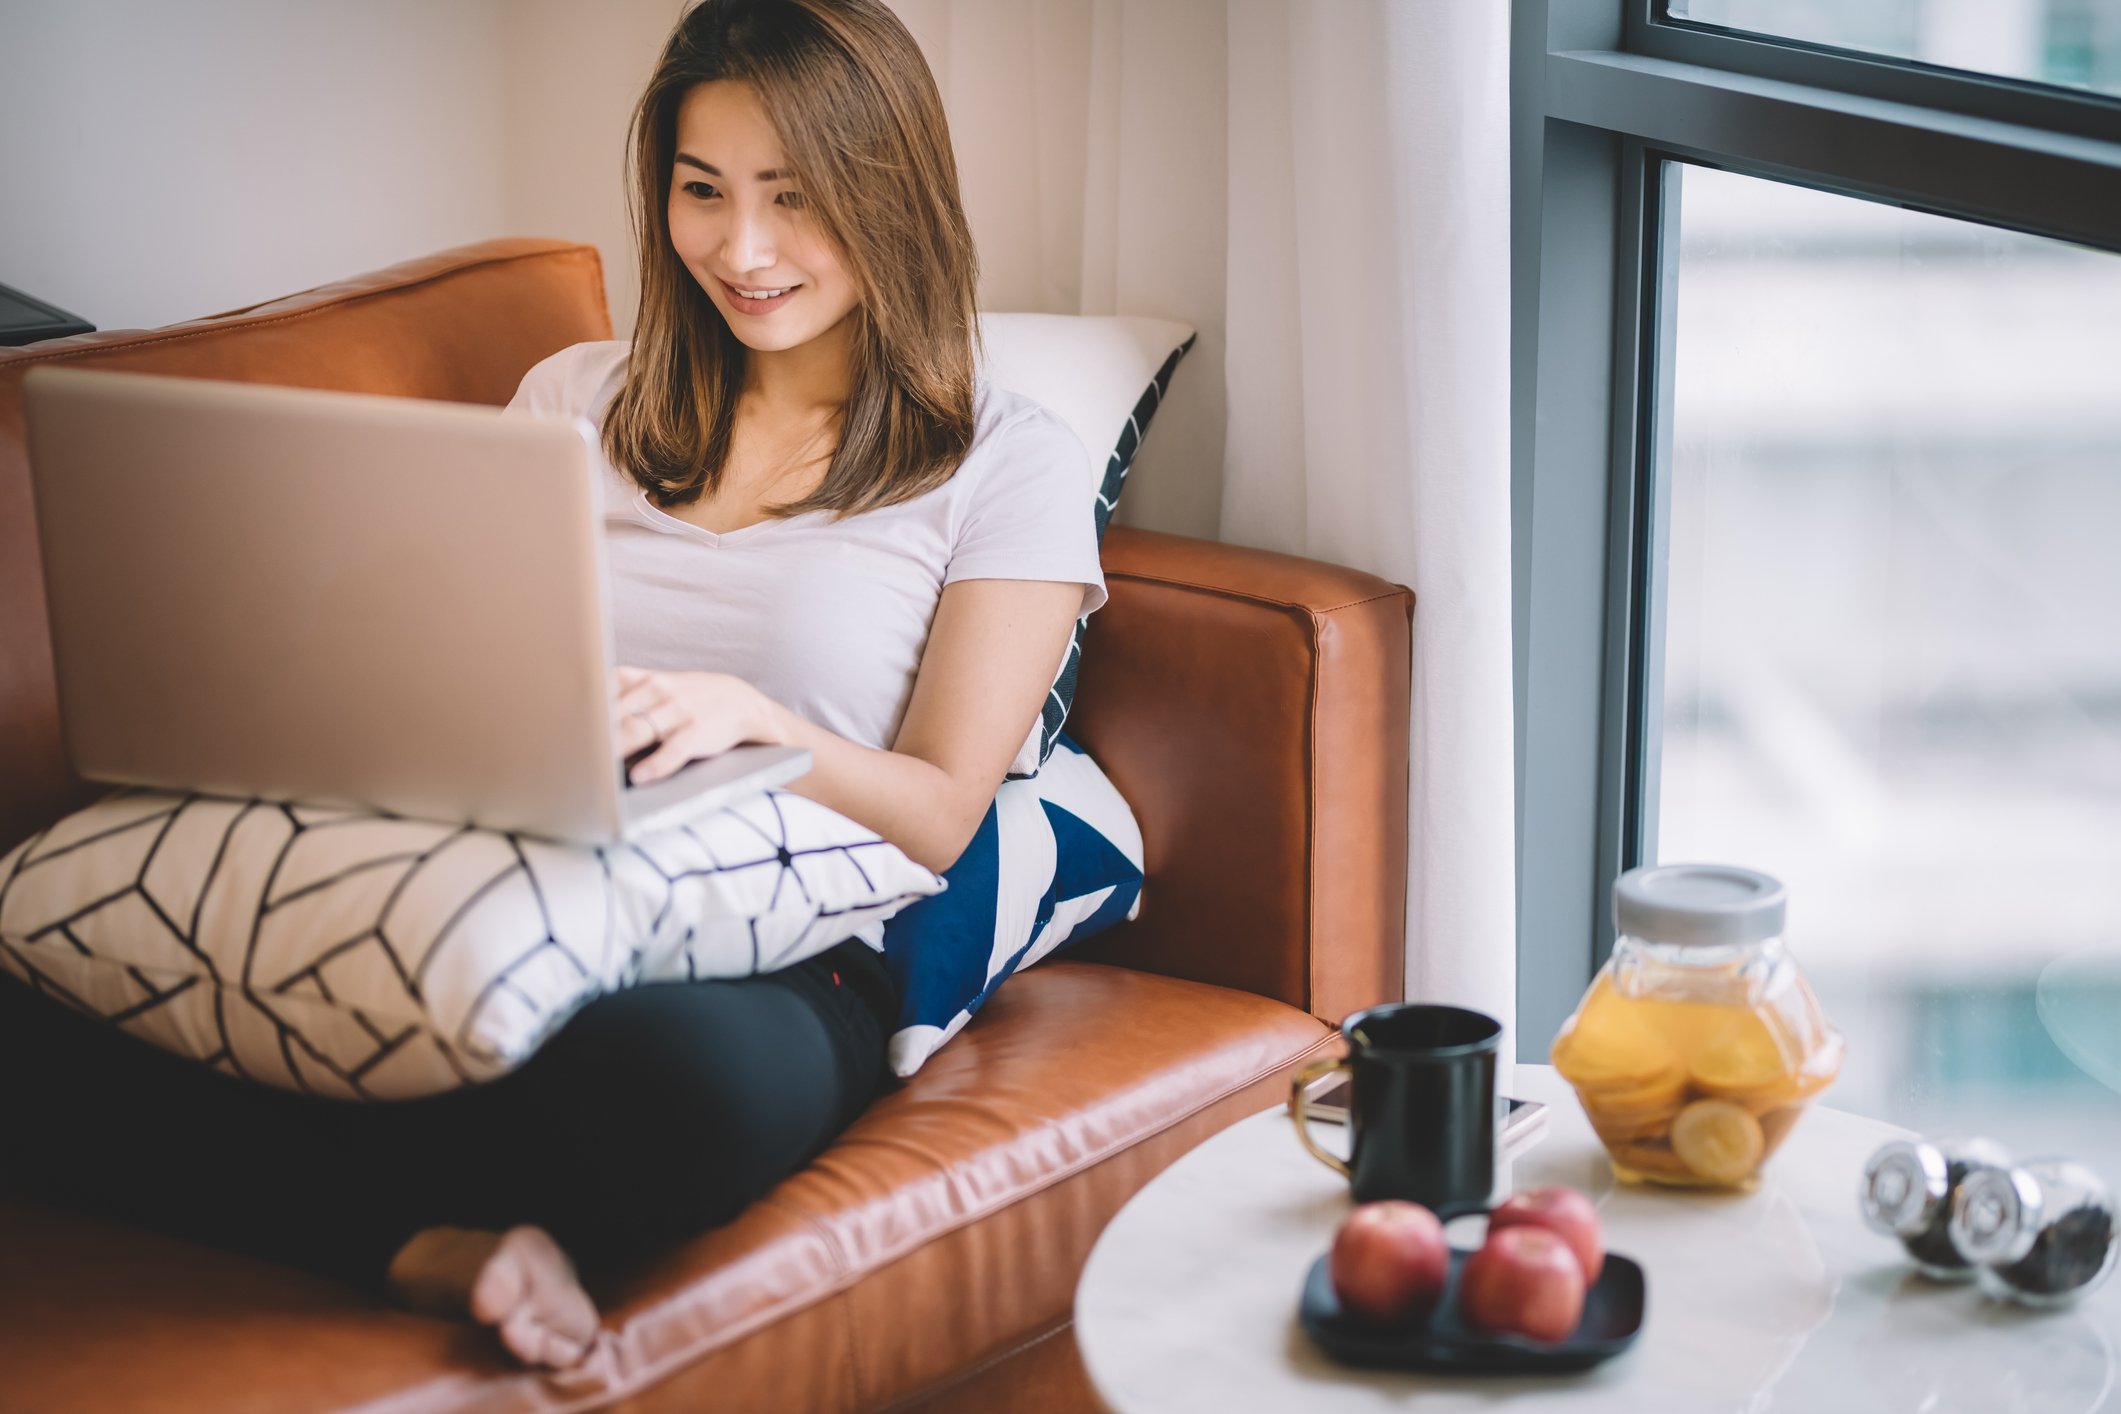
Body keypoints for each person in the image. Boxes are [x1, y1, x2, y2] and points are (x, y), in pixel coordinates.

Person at [0, 0, 1102, 1373]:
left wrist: (762, 727)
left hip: (770, 935)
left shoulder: (1006, 459)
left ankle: (354, 1207)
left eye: (794, 198)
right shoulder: (574, 399)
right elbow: (457, 650)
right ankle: (422, 1228)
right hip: (496, 863)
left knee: (669, 1091)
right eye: (702, 192)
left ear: (893, 196)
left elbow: (942, 808)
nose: (741, 250)